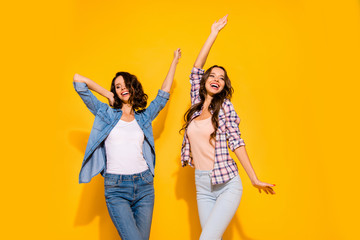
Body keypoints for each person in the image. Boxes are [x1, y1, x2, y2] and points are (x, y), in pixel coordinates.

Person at [180, 15, 275, 240]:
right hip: (202, 185)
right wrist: (213, 33)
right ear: (204, 82)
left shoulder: (226, 109)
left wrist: (253, 178)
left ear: (224, 86)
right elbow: (196, 69)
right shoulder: (195, 105)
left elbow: (237, 142)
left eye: (221, 78)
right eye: (211, 75)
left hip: (226, 184)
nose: (216, 79)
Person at [73, 48, 181, 240]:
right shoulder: (106, 113)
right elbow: (78, 80)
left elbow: (163, 96)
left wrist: (174, 61)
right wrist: (107, 94)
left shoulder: (144, 117)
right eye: (117, 86)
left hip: (145, 185)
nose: (121, 88)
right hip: (116, 188)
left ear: (133, 88)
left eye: (125, 85)